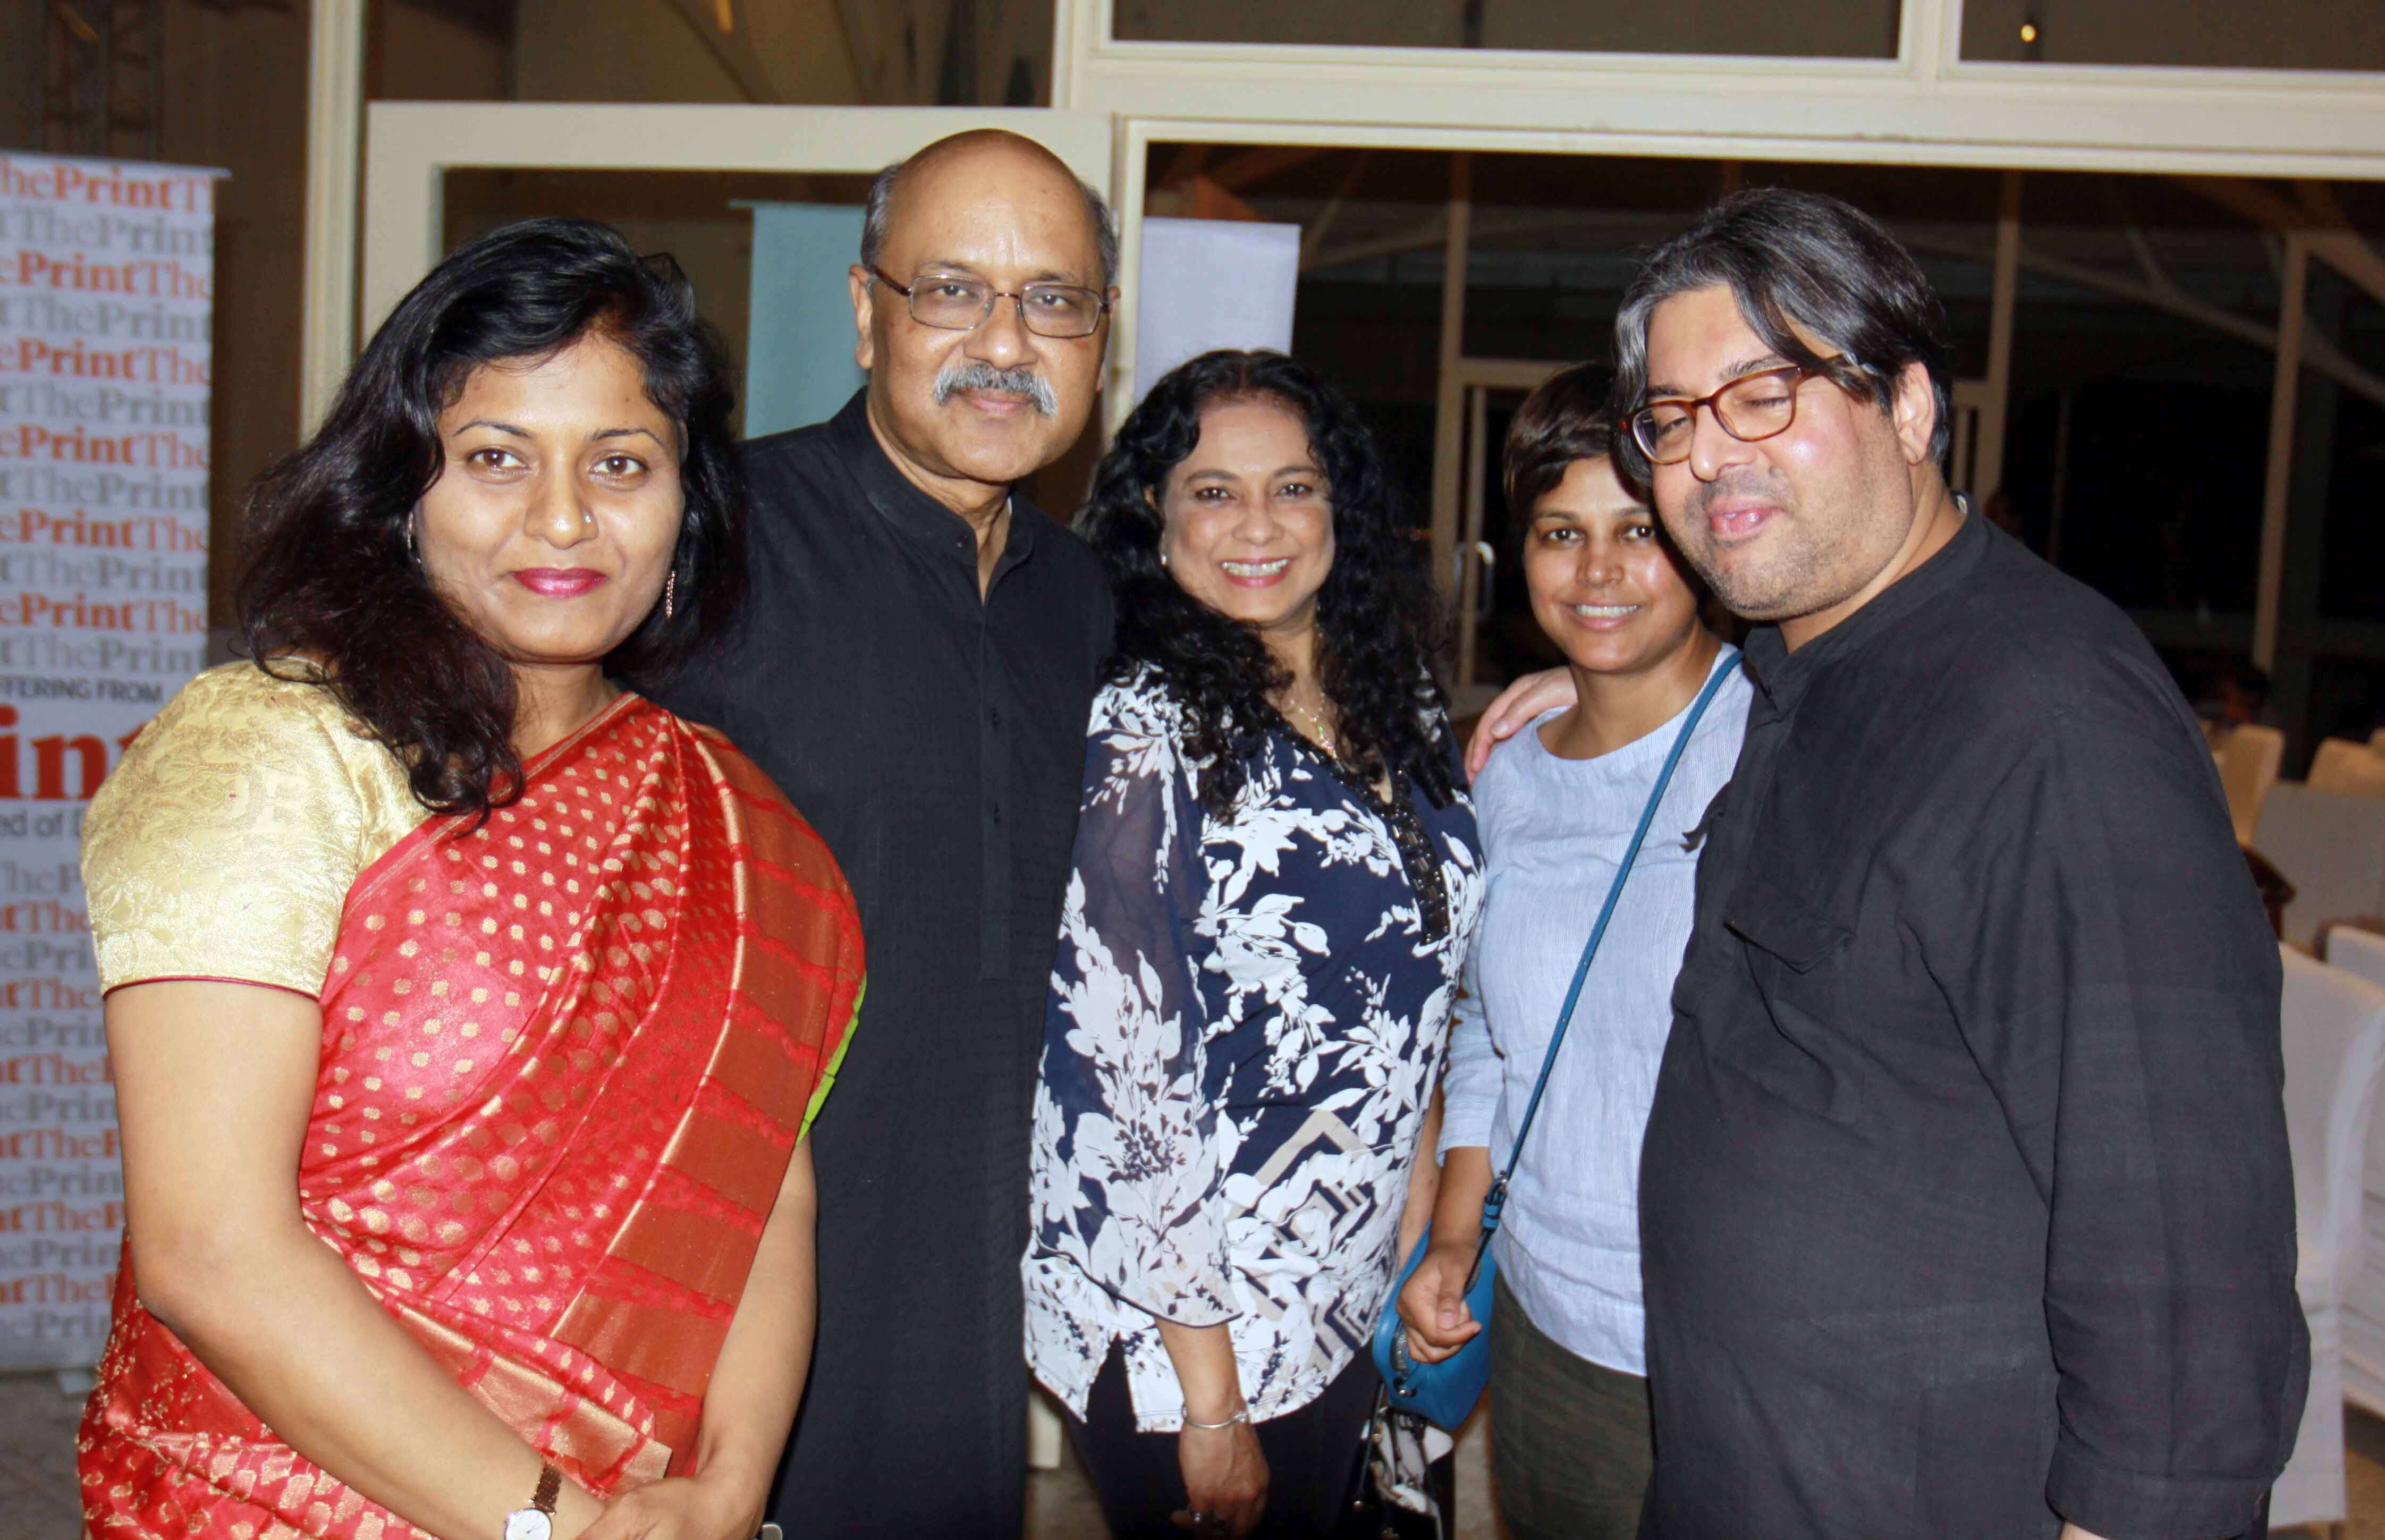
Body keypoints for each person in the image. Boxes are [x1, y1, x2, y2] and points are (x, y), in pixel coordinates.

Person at [78, 218, 864, 1540]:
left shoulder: (742, 829)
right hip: (266, 1503)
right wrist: (555, 1522)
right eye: (496, 457)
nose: (563, 518)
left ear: (688, 506)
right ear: (401, 490)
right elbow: (209, 1250)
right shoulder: (271, 756)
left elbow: (762, 1188)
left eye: (622, 463)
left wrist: (723, 1493)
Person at [1604, 188, 2304, 1539]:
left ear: (1911, 407)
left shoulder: (2048, 721)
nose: (1708, 455)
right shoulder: (1806, 665)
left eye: (1764, 394)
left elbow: (2183, 1262)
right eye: (1672, 419)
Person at [656, 129, 1115, 1536]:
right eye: (953, 291)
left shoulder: (1089, 602)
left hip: (979, 1277)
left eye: (1053, 300)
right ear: (868, 313)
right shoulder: (705, 547)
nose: (1005, 343)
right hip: (730, 1276)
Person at [1024, 350, 1484, 1539]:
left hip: (1346, 1288)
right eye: (1215, 492)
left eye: (1295, 487)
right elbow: (1126, 1081)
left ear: (1341, 506)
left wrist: (1412, 1222)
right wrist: (1212, 1405)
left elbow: (1420, 983)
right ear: (1155, 510)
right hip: (1195, 1331)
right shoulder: (1143, 734)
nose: (1259, 526)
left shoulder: (1395, 697)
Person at [1396, 363, 1747, 1540]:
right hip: (1548, 1328)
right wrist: (1456, 1237)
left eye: (1638, 531)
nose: (1597, 572)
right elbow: (1490, 1033)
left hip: (1736, 1347)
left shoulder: (1780, 737)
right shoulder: (1506, 776)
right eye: (1561, 533)